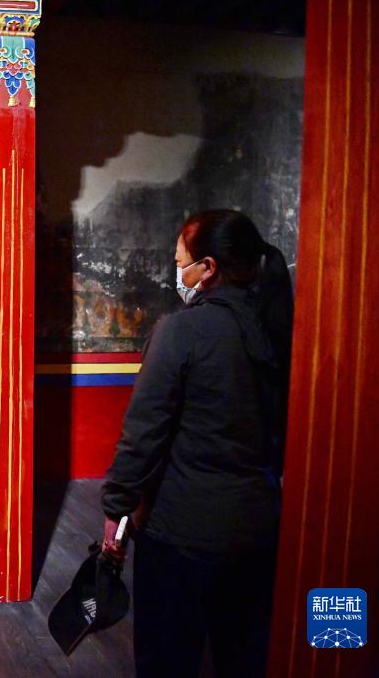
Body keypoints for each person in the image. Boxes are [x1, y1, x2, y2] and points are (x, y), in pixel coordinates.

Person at [99, 209, 294, 678]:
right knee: (243, 660)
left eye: (180, 262)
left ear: (207, 268)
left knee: (167, 660)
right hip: (259, 530)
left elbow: (143, 433)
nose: (177, 273)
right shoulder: (278, 332)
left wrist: (116, 511)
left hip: (181, 533)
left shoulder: (182, 332)